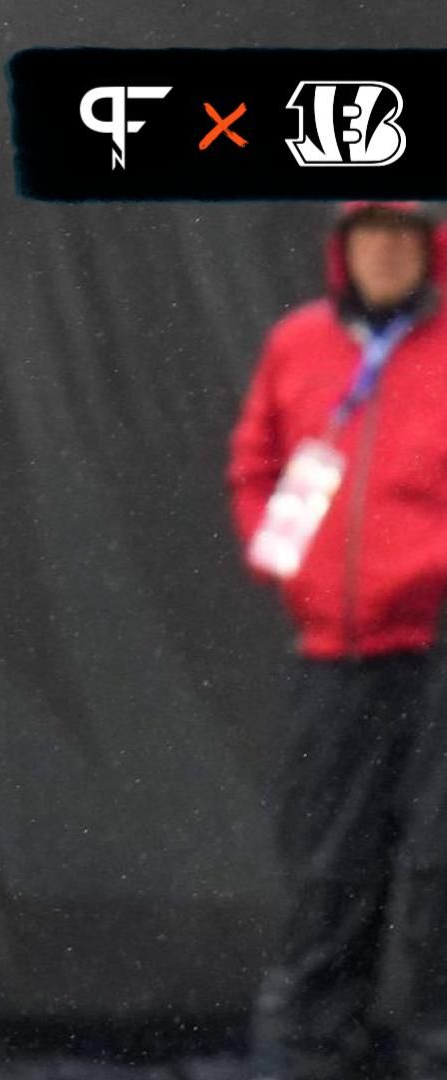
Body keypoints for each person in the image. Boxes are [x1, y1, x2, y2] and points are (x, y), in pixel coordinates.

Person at [228, 201, 447, 1080]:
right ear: (341, 249)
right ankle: (316, 1055)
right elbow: (256, 467)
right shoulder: (298, 344)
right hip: (336, 656)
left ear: (432, 247)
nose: (386, 253)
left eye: (404, 236)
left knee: (441, 869)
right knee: (328, 868)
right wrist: (288, 569)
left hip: (438, 652)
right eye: (370, 236)